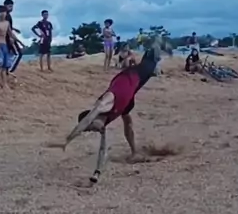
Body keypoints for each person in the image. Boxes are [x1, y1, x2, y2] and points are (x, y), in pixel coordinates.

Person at [54, 36, 172, 183]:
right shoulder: (102, 125)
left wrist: (68, 140)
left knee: (149, 63)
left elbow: (87, 120)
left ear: (93, 119)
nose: (95, 130)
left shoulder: (103, 103)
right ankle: (134, 152)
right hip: (129, 95)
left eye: (91, 127)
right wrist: (97, 173)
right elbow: (102, 150)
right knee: (127, 121)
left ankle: (157, 42)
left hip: (129, 78)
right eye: (92, 131)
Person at [0, 5, 15, 87]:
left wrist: (19, 42)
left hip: (5, 45)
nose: (2, 14)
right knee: (0, 63)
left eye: (4, 12)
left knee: (4, 65)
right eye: (1, 12)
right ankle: (0, 82)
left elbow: (10, 34)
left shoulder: (7, 23)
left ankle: (3, 83)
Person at [3, 0, 24, 75]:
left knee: (10, 54)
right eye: (10, 6)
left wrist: (14, 29)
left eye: (12, 6)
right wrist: (12, 38)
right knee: (18, 53)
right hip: (8, 37)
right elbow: (6, 28)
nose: (11, 8)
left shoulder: (6, 15)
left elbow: (8, 26)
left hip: (8, 36)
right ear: (5, 6)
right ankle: (10, 70)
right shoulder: (6, 16)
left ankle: (7, 70)